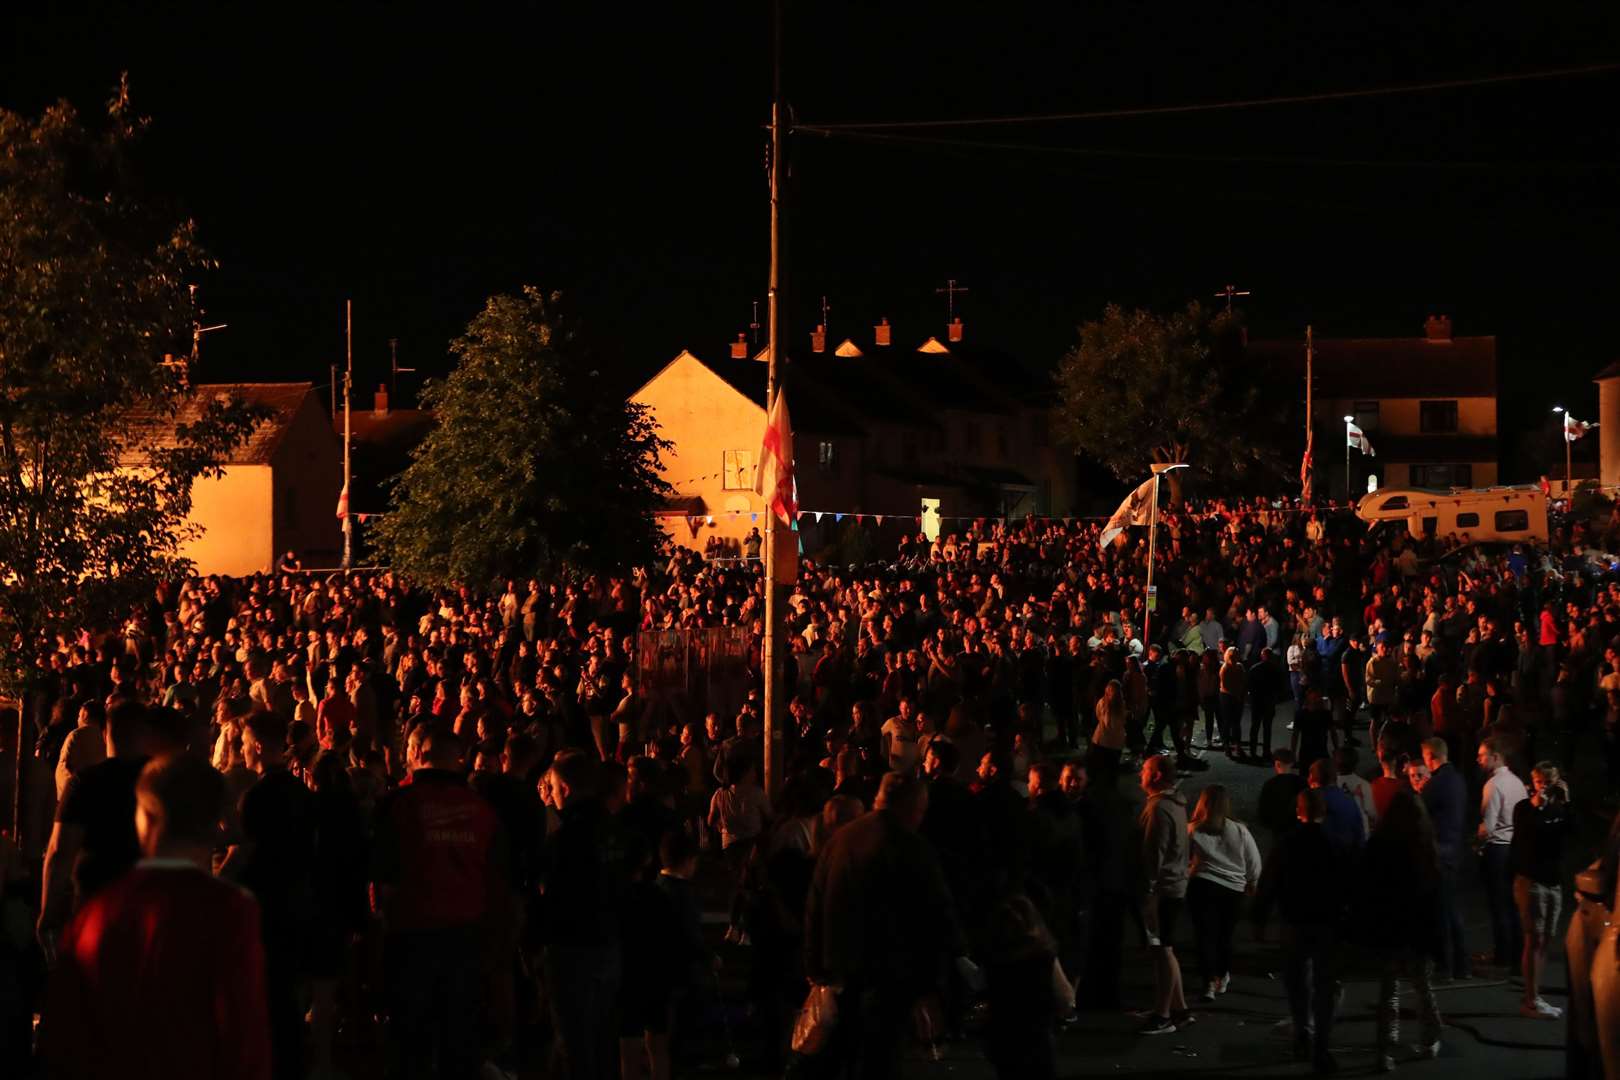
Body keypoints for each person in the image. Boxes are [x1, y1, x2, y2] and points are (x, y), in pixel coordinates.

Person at [42, 755, 271, 1080]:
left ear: (145, 818)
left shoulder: (98, 909)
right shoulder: (231, 910)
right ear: (214, 823)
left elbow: (65, 1031)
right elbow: (243, 1033)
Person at [804, 772, 966, 1079]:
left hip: (840, 966)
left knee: (844, 1052)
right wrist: (940, 971)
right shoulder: (912, 848)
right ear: (912, 807)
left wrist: (815, 965)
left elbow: (815, 904)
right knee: (880, 1056)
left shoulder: (841, 840)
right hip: (890, 973)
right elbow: (936, 913)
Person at [372, 730, 506, 1080]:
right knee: (459, 1043)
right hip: (467, 937)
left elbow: (382, 881)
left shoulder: (398, 804)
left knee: (410, 1044)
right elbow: (497, 879)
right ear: (458, 759)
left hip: (411, 937)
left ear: (415, 752)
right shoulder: (482, 810)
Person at [220, 711, 317, 1080]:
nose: (240, 749)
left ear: (258, 746)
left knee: (265, 1002)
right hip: (298, 907)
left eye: (243, 743)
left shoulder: (257, 797)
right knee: (288, 1004)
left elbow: (245, 854)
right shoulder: (301, 793)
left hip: (266, 913)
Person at [537, 749, 630, 1080]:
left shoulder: (565, 838)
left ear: (564, 788)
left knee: (575, 1041)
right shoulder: (617, 830)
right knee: (604, 1037)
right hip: (610, 942)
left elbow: (552, 894)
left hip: (572, 947)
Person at [37, 700, 152, 960]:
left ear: (104, 733)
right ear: (146, 734)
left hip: (96, 901)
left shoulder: (84, 783)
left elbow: (59, 852)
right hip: (150, 905)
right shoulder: (164, 781)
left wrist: (48, 913)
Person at [1256, 790, 1344, 1074]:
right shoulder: (1334, 843)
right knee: (1325, 986)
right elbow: (1348, 884)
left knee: (1296, 982)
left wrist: (1259, 917)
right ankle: (1321, 1046)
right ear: (1323, 813)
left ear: (1299, 811)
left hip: (1293, 922)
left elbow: (1269, 881)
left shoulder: (1286, 843)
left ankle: (1301, 1031)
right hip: (1326, 923)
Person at [1355, 790, 1444, 1071]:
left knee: (1388, 991)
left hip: (1388, 927)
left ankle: (1384, 1050)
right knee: (1422, 986)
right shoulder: (1425, 847)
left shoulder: (1379, 846)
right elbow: (1435, 895)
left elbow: (1367, 888)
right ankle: (1430, 1038)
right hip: (1417, 929)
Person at [1186, 784, 1262, 1002]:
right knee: (1225, 935)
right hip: (1232, 888)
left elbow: (1183, 859)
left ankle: (1208, 982)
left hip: (1203, 885)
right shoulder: (1239, 829)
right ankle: (1223, 974)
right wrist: (1252, 880)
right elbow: (1253, 859)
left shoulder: (1193, 829)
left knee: (1204, 935)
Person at [1511, 761, 1571, 1018]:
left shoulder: (1560, 809)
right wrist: (1537, 807)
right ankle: (1531, 1000)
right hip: (1532, 881)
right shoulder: (1524, 808)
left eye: (1549, 783)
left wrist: (1567, 802)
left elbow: (1573, 832)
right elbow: (1523, 837)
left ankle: (1535, 996)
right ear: (1532, 782)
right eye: (1539, 783)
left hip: (1553, 882)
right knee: (1533, 940)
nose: (1543, 788)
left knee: (1545, 940)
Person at [1138, 755, 1191, 1035]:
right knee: (1166, 948)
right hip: (1176, 883)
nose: (1140, 774)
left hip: (1164, 888)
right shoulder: (1175, 804)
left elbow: (1152, 853)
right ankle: (1179, 1008)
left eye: (1145, 770)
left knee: (1163, 949)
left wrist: (1147, 889)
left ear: (1157, 775)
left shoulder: (1158, 809)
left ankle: (1163, 1014)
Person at [983, 894, 1062, 1080]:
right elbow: (1065, 998)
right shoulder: (1042, 955)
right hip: (1037, 1038)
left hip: (1004, 1037)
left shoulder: (996, 957)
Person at [1418, 738, 1470, 979]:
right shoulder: (1458, 779)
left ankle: (1445, 966)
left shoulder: (1435, 784)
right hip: (1456, 849)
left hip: (1439, 853)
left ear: (1430, 757)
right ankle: (1462, 965)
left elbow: (1420, 812)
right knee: (1453, 910)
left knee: (1440, 913)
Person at [1477, 736, 1527, 974]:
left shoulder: (1493, 785)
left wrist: (1475, 841)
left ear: (1495, 757)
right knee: (1514, 903)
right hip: (1516, 847)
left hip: (1497, 849)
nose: (1478, 759)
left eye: (1482, 755)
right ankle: (1518, 954)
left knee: (1498, 904)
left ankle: (1502, 954)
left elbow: (1488, 826)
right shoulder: (1517, 782)